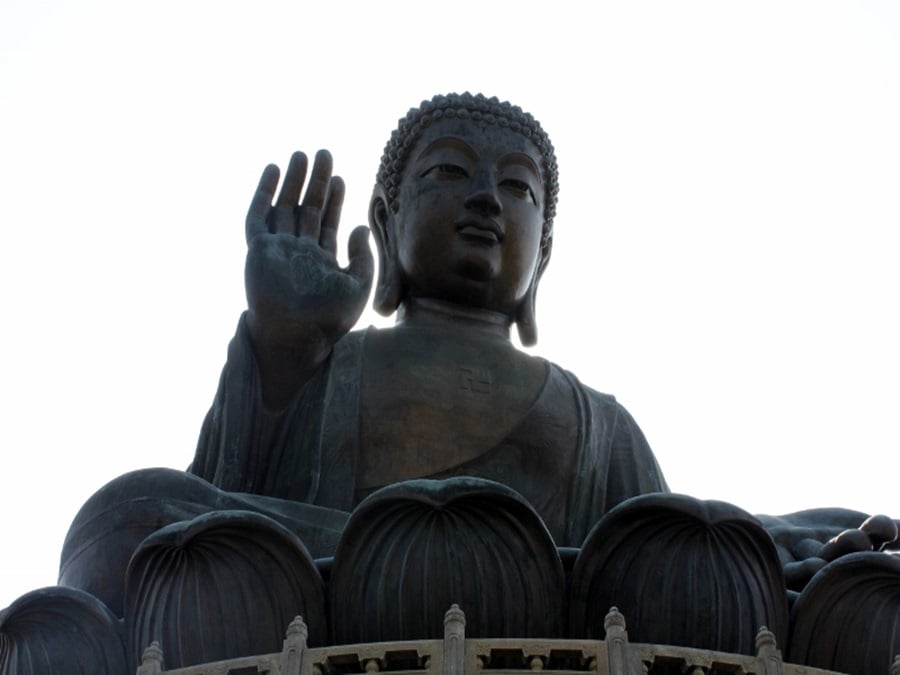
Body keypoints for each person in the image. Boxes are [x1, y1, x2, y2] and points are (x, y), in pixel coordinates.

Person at [188, 92, 669, 549]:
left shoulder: (601, 426)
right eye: (450, 170)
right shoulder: (322, 368)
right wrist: (283, 344)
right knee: (136, 504)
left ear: (542, 252)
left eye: (517, 185)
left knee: (726, 540)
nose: (486, 197)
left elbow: (658, 559)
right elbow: (218, 513)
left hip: (536, 601)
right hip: (331, 598)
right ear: (385, 220)